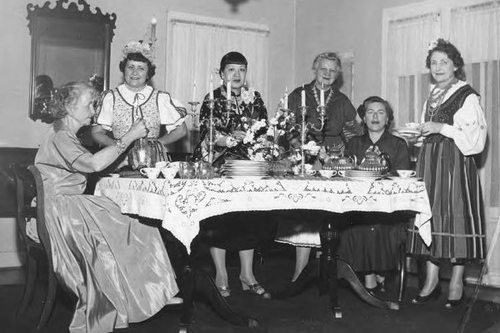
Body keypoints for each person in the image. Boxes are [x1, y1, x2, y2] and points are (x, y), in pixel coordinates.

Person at [35, 81, 180, 333]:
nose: (93, 110)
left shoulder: (63, 132)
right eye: (89, 104)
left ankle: (153, 290)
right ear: (69, 107)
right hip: (62, 212)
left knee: (133, 219)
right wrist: (131, 136)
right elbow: (92, 165)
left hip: (65, 205)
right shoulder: (61, 135)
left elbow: (85, 165)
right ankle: (150, 291)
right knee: (133, 220)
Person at [407, 39, 487, 307]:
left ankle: (456, 283)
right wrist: (417, 135)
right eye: (433, 63)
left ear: (456, 65)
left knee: (454, 218)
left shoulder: (468, 95)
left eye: (444, 62)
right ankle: (431, 283)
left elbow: (475, 140)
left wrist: (442, 128)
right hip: (430, 163)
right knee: (432, 216)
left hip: (455, 163)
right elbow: (428, 129)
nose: (438, 67)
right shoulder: (432, 95)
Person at [275, 51, 362, 281]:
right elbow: (284, 126)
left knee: (329, 215)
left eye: (333, 70)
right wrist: (301, 147)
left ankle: (326, 270)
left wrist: (339, 156)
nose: (328, 73)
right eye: (324, 69)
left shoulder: (342, 101)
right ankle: (300, 272)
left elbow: (354, 133)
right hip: (303, 158)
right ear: (315, 69)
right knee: (305, 216)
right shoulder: (298, 95)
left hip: (332, 161)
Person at [193, 51, 270, 298]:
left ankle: (247, 274)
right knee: (222, 220)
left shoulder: (254, 97)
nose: (237, 75)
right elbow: (206, 131)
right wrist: (226, 140)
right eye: (231, 70)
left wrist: (258, 141)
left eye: (241, 70)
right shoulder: (212, 98)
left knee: (250, 218)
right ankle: (221, 273)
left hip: (249, 166)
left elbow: (264, 128)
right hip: (221, 165)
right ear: (222, 73)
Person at [340, 96, 410, 293]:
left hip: (388, 210)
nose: (375, 116)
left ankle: (377, 271)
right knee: (356, 227)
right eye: (370, 112)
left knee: (378, 226)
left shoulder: (398, 144)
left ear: (388, 119)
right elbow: (346, 174)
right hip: (359, 208)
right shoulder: (354, 143)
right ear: (364, 117)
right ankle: (369, 275)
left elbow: (402, 179)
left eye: (380, 112)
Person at [92, 40, 187, 166]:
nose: (135, 73)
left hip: (153, 163)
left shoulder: (159, 98)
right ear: (123, 69)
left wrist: (157, 144)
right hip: (119, 161)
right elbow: (96, 132)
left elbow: (181, 130)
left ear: (148, 73)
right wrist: (118, 146)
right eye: (130, 67)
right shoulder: (110, 98)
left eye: (141, 68)